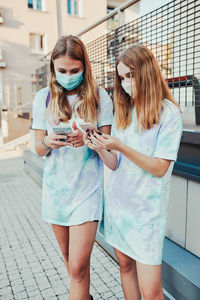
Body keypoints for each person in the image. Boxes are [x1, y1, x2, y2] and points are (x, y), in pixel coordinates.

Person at [84, 44, 182, 300]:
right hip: (119, 205)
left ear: (147, 72)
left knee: (151, 291)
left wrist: (119, 145)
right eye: (122, 77)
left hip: (146, 213)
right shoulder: (124, 111)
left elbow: (159, 168)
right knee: (125, 267)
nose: (127, 83)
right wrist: (98, 147)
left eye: (131, 75)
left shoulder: (168, 113)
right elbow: (115, 163)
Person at [32, 35, 113, 300]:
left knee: (78, 267)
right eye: (62, 70)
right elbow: (38, 148)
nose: (68, 76)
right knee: (68, 258)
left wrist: (89, 139)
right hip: (56, 191)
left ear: (85, 67)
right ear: (53, 68)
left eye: (74, 70)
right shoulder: (43, 98)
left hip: (87, 190)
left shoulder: (100, 98)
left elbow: (109, 148)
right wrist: (47, 141)